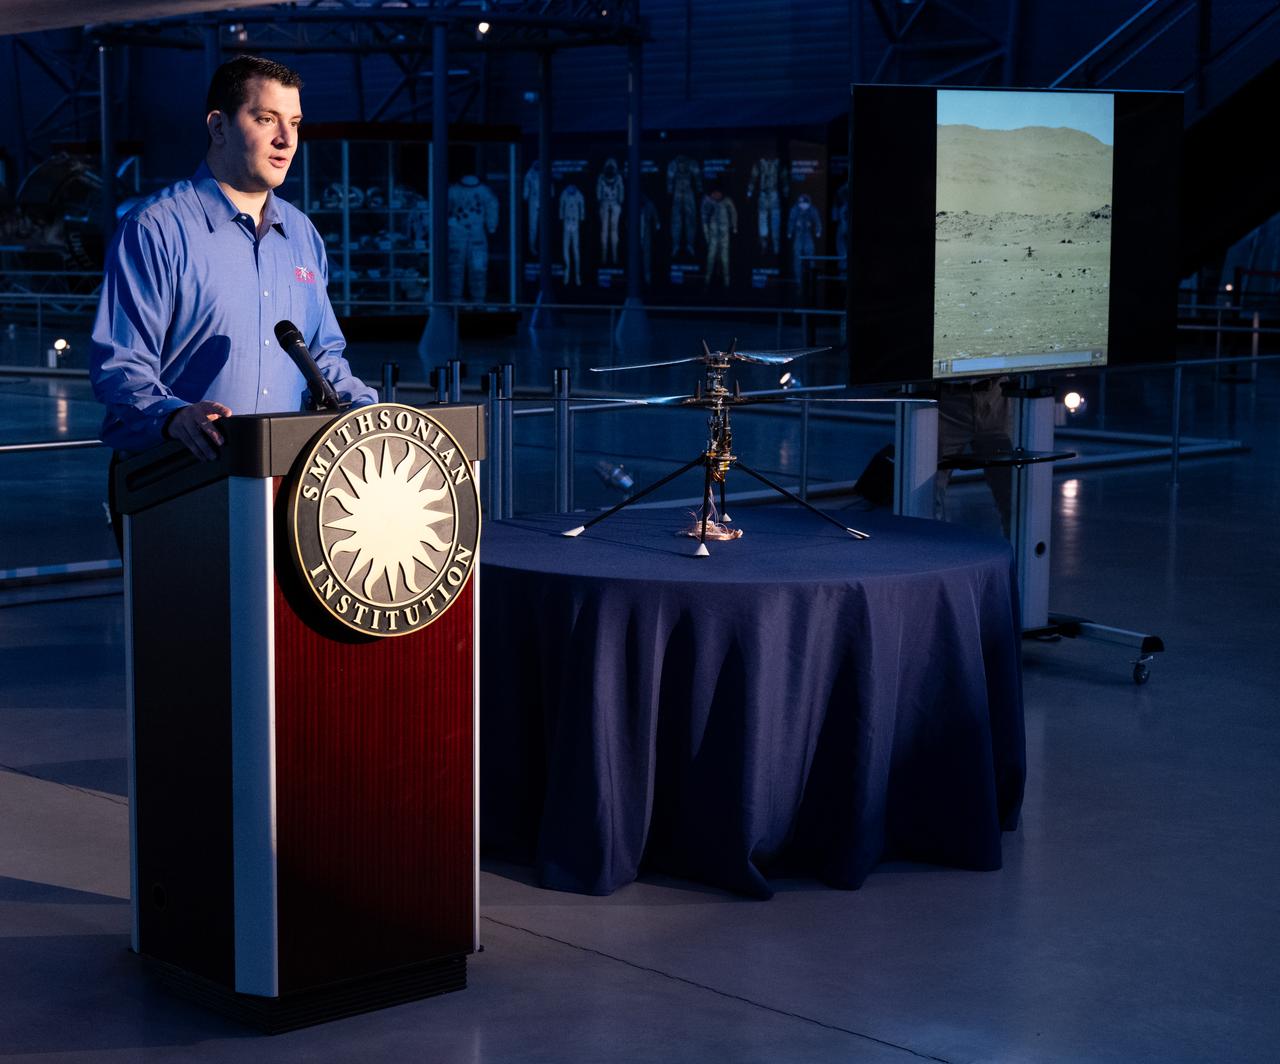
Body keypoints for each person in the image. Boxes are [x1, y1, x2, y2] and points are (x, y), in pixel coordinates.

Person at [91, 55, 375, 481]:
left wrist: (375, 413)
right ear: (218, 126)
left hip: (286, 479)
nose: (286, 139)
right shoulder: (155, 229)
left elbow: (323, 357)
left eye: (294, 123)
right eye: (266, 119)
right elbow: (121, 363)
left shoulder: (302, 235)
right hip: (176, 477)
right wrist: (175, 416)